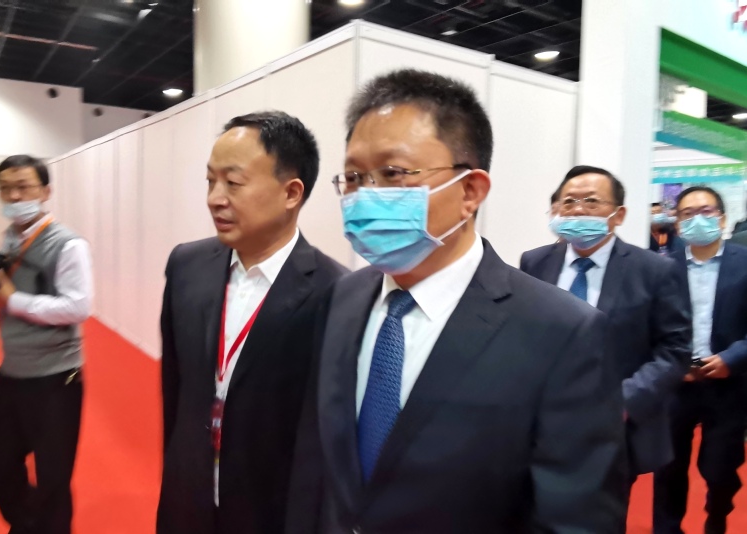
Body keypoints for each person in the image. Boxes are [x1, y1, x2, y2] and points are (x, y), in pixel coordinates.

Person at [289, 69, 626, 533]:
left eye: (393, 173)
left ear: (470, 191)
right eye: (352, 177)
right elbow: (319, 462)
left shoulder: (563, 333)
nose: (365, 195)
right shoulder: (342, 298)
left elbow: (575, 518)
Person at [157, 111, 346, 534]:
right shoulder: (186, 265)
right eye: (210, 181)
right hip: (188, 501)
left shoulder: (336, 293)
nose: (215, 198)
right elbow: (175, 389)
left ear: (291, 193)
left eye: (233, 183)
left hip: (269, 513)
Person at [520, 166, 691, 486]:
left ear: (618, 214)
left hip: (615, 427)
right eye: (568, 202)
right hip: (542, 421)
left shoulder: (654, 270)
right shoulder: (535, 262)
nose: (578, 210)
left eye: (591, 201)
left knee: (603, 508)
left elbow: (674, 349)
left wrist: (623, 402)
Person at [0, 155, 92, 534]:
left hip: (55, 377)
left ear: (45, 191)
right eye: (6, 189)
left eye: (24, 187)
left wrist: (11, 299)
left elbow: (78, 306)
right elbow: (1, 302)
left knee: (52, 476)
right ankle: (29, 524)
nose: (14, 196)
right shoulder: (12, 238)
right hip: (12, 371)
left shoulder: (68, 244)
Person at [653, 186, 747, 534]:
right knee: (668, 466)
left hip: (729, 383)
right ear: (677, 224)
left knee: (721, 467)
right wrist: (671, 363)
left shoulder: (744, 262)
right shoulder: (661, 268)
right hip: (676, 383)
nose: (698, 219)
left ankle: (716, 517)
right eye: (688, 214)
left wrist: (732, 359)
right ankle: (667, 528)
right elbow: (650, 325)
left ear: (722, 219)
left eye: (706, 211)